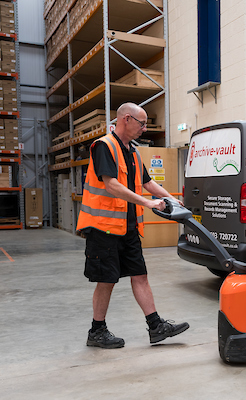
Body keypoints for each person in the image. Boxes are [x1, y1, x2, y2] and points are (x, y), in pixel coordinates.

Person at [76, 102, 189, 349]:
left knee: (140, 276)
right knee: (107, 280)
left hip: (127, 229)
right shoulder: (104, 146)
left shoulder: (133, 152)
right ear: (126, 119)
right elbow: (111, 184)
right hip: (103, 227)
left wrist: (171, 199)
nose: (144, 128)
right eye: (142, 123)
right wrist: (148, 204)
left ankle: (156, 326)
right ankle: (96, 331)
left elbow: (147, 183)